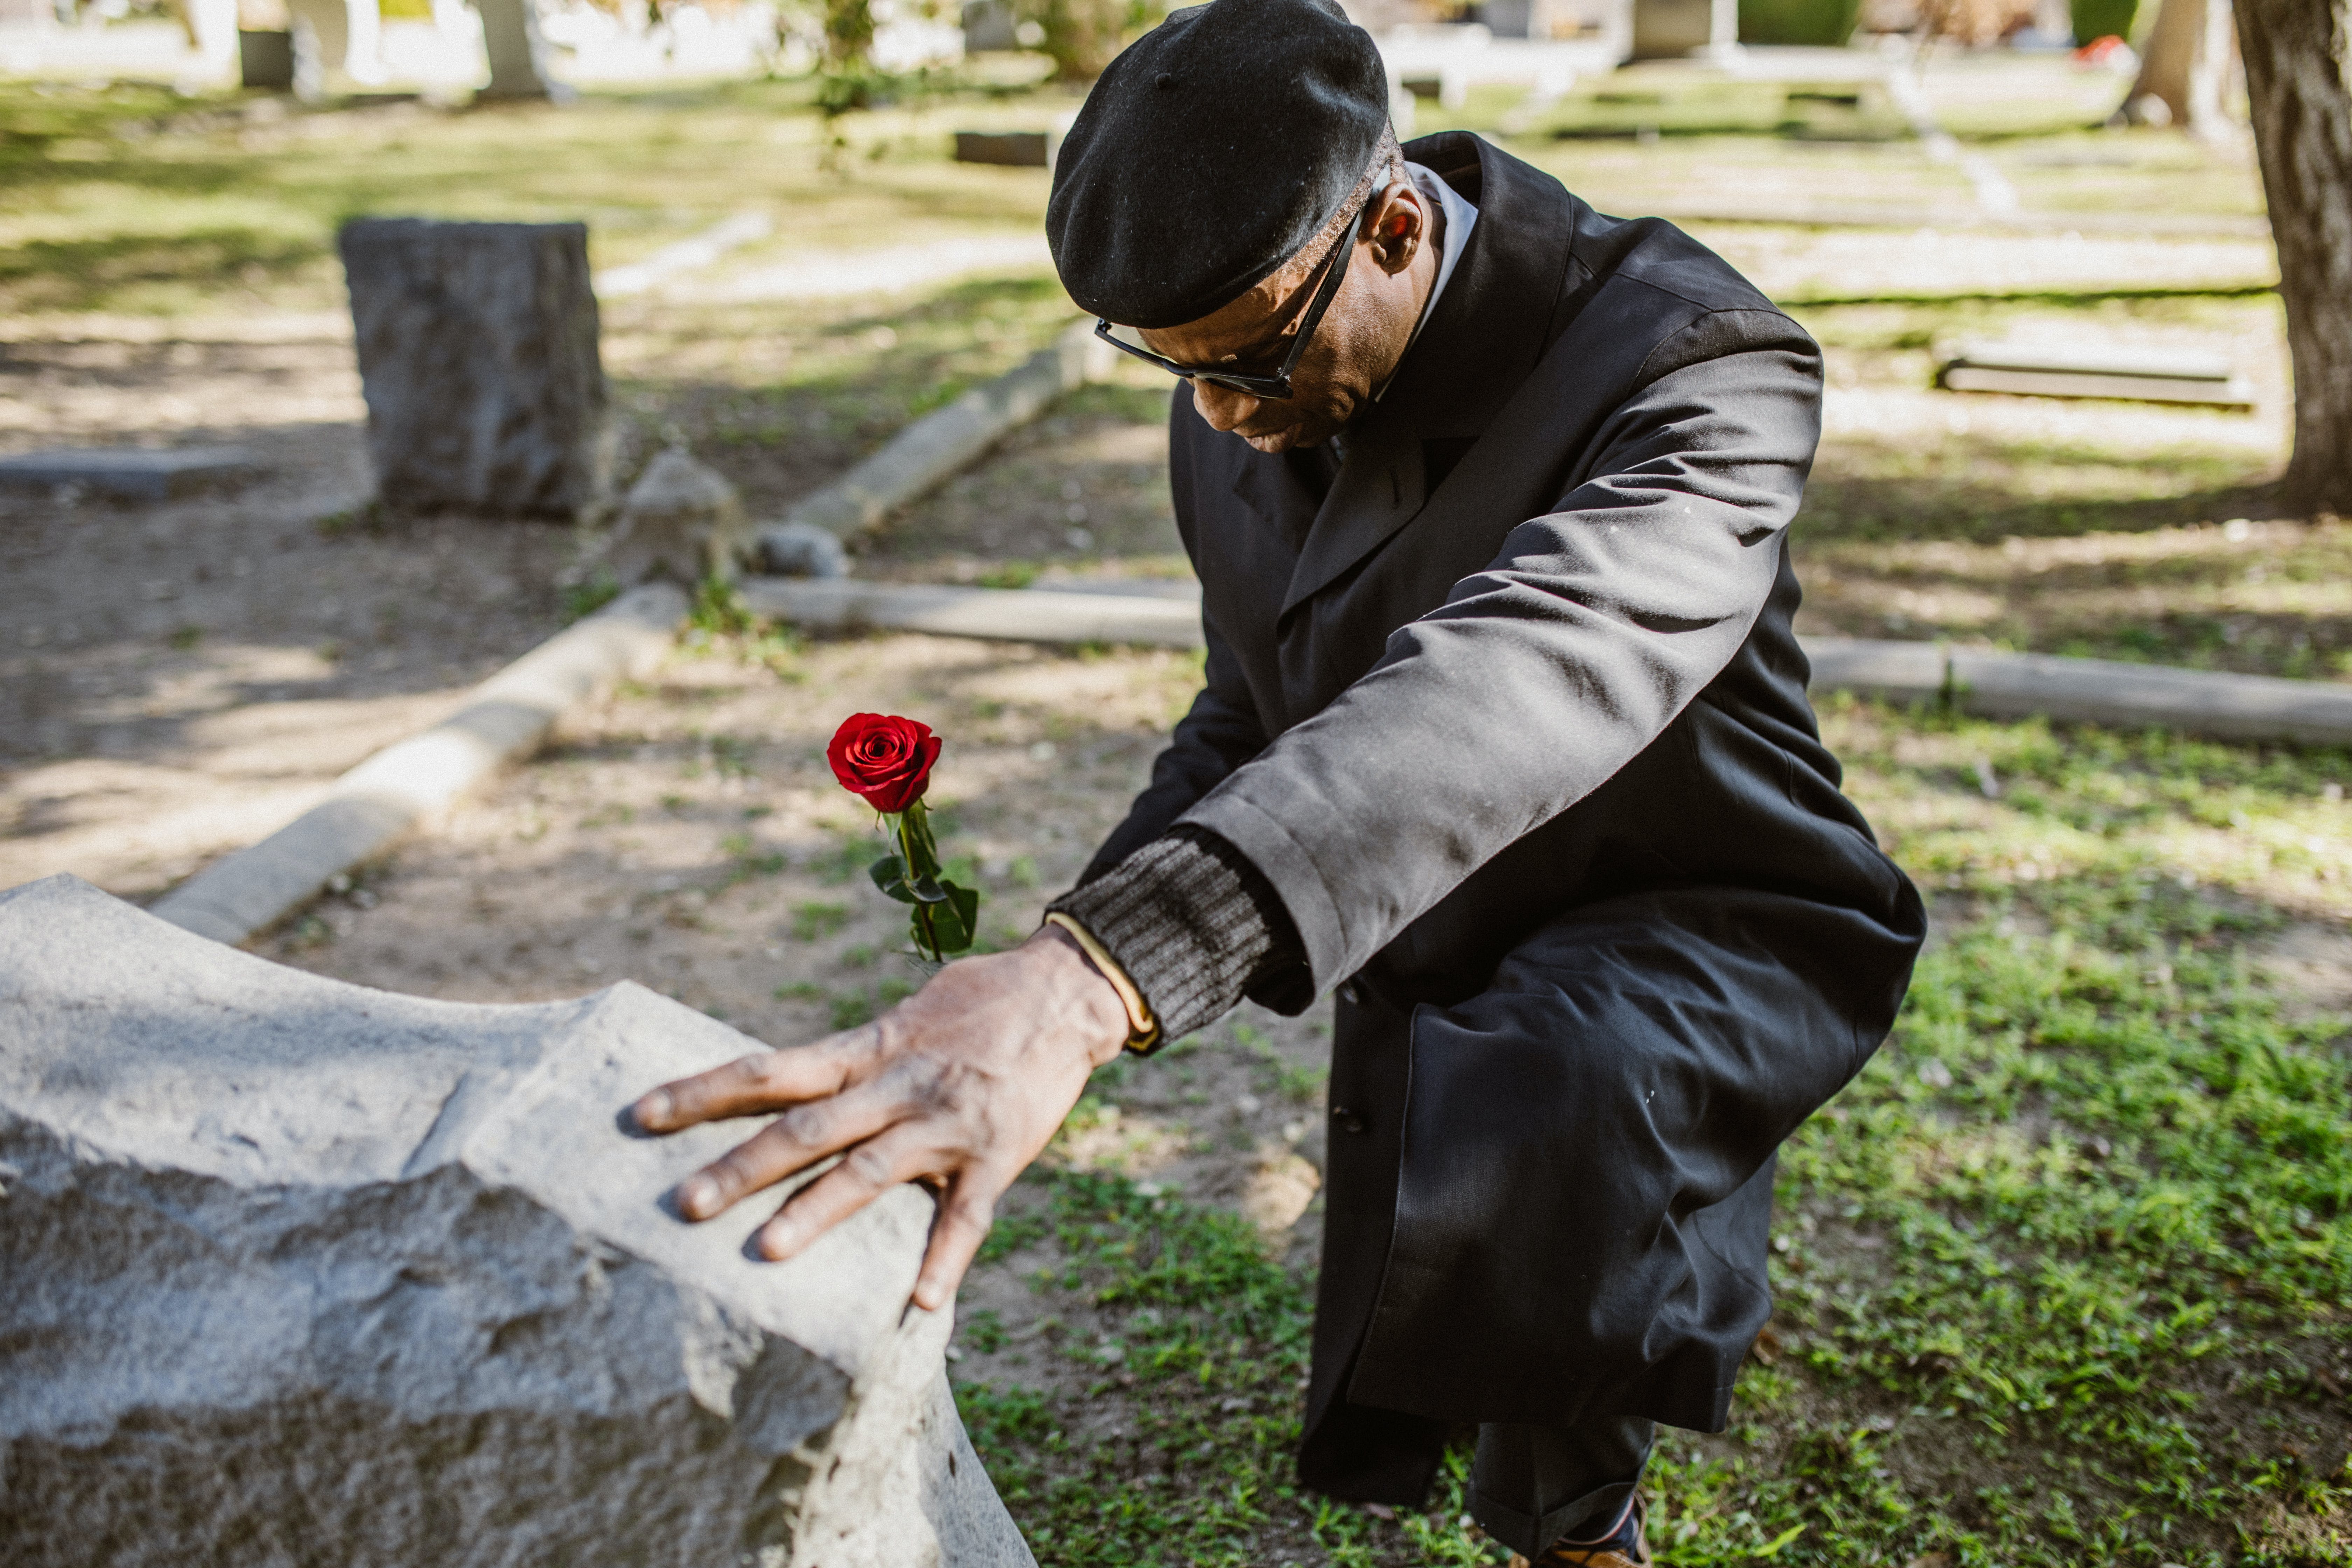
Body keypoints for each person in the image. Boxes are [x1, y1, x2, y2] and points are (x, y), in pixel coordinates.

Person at [629, 0, 1926, 1559]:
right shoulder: (1231, 386)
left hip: (1689, 884)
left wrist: (1102, 985)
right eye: (1174, 373)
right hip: (1412, 891)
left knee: (1555, 1110)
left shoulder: (1701, 365)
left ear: (1391, 224)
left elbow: (1525, 670)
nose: (1225, 418)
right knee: (1464, 1197)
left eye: (1253, 361)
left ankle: (1582, 1526)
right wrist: (1065, 956)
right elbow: (1250, 704)